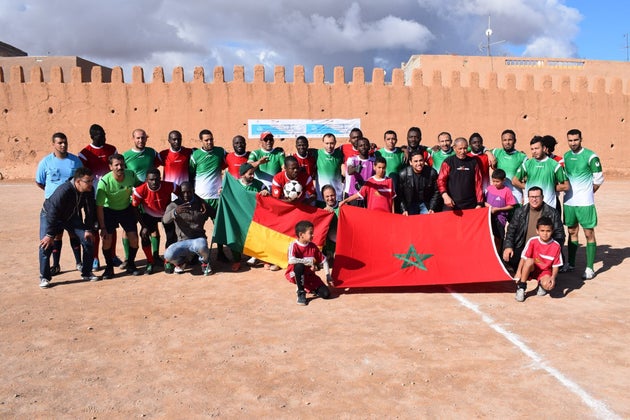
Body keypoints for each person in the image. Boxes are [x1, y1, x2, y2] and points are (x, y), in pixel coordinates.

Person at [38, 167, 99, 288]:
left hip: (70, 216)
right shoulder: (64, 190)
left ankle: (86, 272)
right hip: (49, 216)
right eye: (88, 181)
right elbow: (52, 212)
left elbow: (89, 211)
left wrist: (88, 229)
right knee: (46, 244)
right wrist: (50, 234)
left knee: (88, 239)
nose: (91, 184)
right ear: (78, 182)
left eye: (92, 180)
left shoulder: (89, 190)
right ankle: (44, 277)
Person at [36, 132, 84, 275]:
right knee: (56, 236)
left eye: (65, 142)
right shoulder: (46, 162)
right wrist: (55, 195)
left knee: (74, 234)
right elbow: (40, 182)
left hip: (72, 206)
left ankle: (79, 263)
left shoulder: (75, 161)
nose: (63, 145)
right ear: (53, 144)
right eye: (60, 143)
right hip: (54, 207)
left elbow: (81, 180)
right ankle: (56, 265)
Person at [78, 124, 121, 270]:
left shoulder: (111, 149)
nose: (103, 137)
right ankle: (95, 258)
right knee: (95, 228)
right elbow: (82, 175)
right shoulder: (85, 153)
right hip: (93, 197)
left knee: (111, 228)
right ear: (92, 137)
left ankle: (113, 255)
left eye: (104, 134)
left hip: (110, 197)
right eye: (100, 135)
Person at [563, 129, 604, 280]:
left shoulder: (591, 156)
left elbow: (598, 178)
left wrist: (588, 192)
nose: (573, 143)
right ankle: (571, 264)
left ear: (581, 139)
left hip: (585, 203)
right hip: (569, 202)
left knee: (588, 233)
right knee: (572, 232)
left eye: (575, 140)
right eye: (570, 140)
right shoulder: (566, 157)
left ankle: (589, 268)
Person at [95, 154, 141, 278]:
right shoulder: (104, 182)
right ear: (110, 167)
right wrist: (103, 227)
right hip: (109, 211)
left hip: (126, 209)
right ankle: (109, 268)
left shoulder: (131, 175)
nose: (120, 167)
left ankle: (131, 264)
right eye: (116, 165)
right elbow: (99, 207)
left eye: (121, 164)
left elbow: (139, 187)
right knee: (107, 241)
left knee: (134, 239)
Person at [502, 187, 565, 275]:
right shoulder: (520, 211)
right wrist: (508, 246)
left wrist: (551, 249)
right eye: (531, 197)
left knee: (555, 261)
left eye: (537, 197)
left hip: (544, 248)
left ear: (542, 197)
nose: (534, 199)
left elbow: (560, 234)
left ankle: (536, 271)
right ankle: (528, 271)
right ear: (528, 197)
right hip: (524, 246)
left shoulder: (553, 213)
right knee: (508, 255)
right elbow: (511, 231)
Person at [122, 128, 161, 266]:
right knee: (128, 229)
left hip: (149, 197)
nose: (141, 140)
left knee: (153, 228)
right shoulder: (125, 156)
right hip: (133, 197)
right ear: (133, 139)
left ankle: (155, 256)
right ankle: (128, 258)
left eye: (143, 138)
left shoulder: (151, 153)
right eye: (138, 138)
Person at [189, 129, 228, 262]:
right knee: (197, 227)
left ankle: (221, 253)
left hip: (217, 198)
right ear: (201, 141)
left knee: (218, 227)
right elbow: (191, 174)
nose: (209, 142)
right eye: (206, 140)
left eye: (211, 139)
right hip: (201, 198)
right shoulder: (195, 156)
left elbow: (234, 159)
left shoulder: (220, 152)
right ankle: (196, 254)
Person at [131, 168, 179, 274]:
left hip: (165, 214)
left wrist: (174, 207)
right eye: (151, 180)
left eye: (157, 179)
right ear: (146, 180)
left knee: (171, 236)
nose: (154, 182)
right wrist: (143, 226)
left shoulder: (170, 185)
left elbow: (182, 193)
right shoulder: (140, 190)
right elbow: (134, 208)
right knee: (144, 234)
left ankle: (167, 261)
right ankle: (150, 261)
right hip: (149, 214)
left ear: (160, 179)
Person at [162, 182, 213, 276]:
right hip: (182, 241)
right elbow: (165, 220)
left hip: (198, 239)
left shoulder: (200, 204)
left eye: (189, 192)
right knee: (168, 255)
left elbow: (214, 214)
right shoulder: (174, 205)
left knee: (202, 246)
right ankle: (180, 263)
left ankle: (205, 263)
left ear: (193, 191)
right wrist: (175, 212)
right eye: (183, 192)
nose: (186, 195)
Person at [514, 216, 562, 302]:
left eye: (548, 231)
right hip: (532, 268)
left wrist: (553, 278)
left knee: (548, 285)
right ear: (537, 231)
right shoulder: (532, 241)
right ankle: (521, 287)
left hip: (545, 271)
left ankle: (541, 284)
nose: (545, 233)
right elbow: (523, 258)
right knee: (529, 261)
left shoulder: (556, 246)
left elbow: (555, 266)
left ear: (552, 231)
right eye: (542, 231)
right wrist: (518, 272)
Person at [513, 135, 569, 209]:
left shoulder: (554, 165)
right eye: (532, 149)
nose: (534, 151)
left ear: (544, 148)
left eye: (537, 148)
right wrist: (528, 187)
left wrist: (549, 187)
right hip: (530, 208)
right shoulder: (527, 164)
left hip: (548, 207)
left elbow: (566, 186)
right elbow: (514, 181)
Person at [285, 220, 332, 306]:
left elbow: (324, 260)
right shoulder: (293, 245)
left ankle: (308, 287)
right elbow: (291, 260)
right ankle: (301, 292)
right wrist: (308, 262)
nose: (313, 235)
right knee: (299, 266)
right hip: (295, 274)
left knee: (326, 294)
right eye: (310, 233)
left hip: (310, 275)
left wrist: (328, 276)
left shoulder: (313, 246)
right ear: (301, 235)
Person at [234, 163, 270, 271]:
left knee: (261, 237)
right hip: (240, 218)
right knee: (236, 238)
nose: (252, 176)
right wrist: (221, 191)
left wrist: (265, 192)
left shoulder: (259, 184)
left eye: (253, 173)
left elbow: (267, 192)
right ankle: (237, 261)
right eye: (250, 174)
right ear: (242, 175)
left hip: (256, 218)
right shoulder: (235, 185)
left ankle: (263, 259)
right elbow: (225, 191)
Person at [437, 137, 484, 211]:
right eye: (460, 149)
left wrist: (479, 203)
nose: (463, 151)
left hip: (470, 204)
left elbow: (478, 183)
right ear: (454, 148)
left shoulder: (473, 162)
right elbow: (441, 181)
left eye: (465, 148)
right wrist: (445, 195)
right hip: (451, 203)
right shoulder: (448, 162)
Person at [487, 129, 527, 205]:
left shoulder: (522, 157)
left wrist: (525, 195)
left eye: (510, 140)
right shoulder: (496, 152)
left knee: (516, 216)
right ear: (501, 141)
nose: (507, 142)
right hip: (498, 193)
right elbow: (478, 149)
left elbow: (528, 178)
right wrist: (488, 153)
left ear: (515, 141)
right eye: (504, 140)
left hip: (515, 194)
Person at [396, 149, 441, 215]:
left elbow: (437, 191)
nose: (419, 163)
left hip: (426, 204)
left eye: (421, 160)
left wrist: (432, 207)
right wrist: (404, 209)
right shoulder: (403, 174)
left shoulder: (432, 172)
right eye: (415, 161)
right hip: (410, 204)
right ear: (410, 162)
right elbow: (400, 195)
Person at [485, 169, 517, 251]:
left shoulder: (507, 191)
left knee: (498, 237)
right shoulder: (489, 188)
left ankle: (498, 253)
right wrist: (486, 205)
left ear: (504, 180)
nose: (495, 183)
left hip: (500, 219)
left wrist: (498, 209)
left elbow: (511, 206)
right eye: (493, 181)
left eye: (497, 181)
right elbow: (483, 201)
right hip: (488, 217)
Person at [343, 137, 375, 207]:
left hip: (368, 196)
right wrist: (356, 169)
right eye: (361, 145)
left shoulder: (374, 161)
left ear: (369, 147)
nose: (363, 147)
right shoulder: (352, 159)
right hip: (353, 195)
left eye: (365, 145)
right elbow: (349, 171)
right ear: (357, 148)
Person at [315, 133, 344, 203]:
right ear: (323, 143)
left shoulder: (340, 154)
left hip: (337, 195)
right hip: (321, 196)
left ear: (335, 143)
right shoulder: (317, 153)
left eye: (332, 143)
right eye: (327, 143)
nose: (329, 146)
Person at [317, 184, 339, 264]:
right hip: (324, 244)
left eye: (332, 195)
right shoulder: (320, 208)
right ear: (323, 198)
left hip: (339, 243)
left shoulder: (343, 206)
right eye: (327, 196)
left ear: (336, 195)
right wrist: (323, 214)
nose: (330, 198)